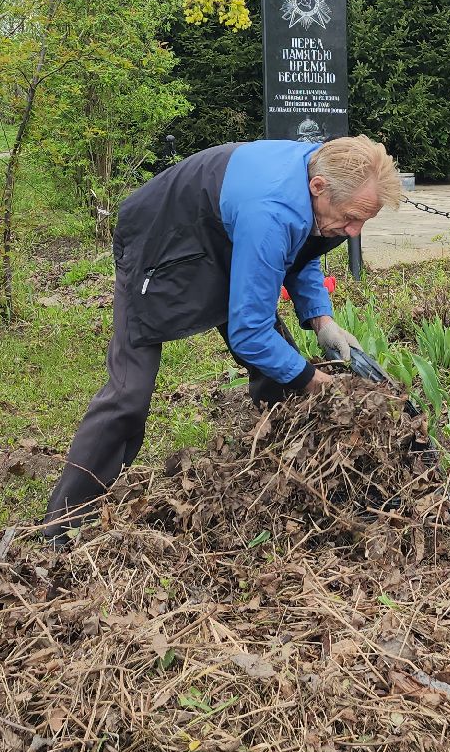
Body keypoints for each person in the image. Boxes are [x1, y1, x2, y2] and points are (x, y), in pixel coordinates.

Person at [42, 135, 404, 538]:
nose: (353, 233)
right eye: (353, 218)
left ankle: (287, 476)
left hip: (229, 231)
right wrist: (312, 379)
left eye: (364, 222)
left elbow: (300, 249)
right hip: (162, 238)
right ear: (318, 188)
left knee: (280, 369)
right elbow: (250, 331)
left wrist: (321, 319)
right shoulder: (273, 210)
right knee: (129, 392)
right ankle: (63, 522)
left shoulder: (327, 174)